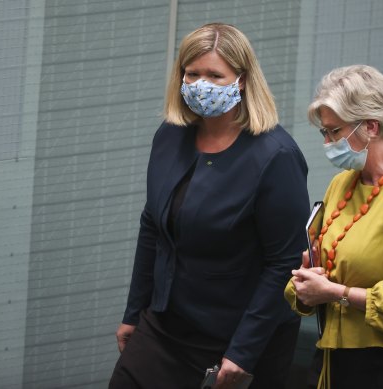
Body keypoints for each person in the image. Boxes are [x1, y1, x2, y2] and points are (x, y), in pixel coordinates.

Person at [109, 23, 310, 389]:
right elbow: (153, 225)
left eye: (216, 75)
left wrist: (243, 351)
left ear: (243, 80)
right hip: (166, 322)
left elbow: (285, 262)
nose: (202, 84)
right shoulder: (170, 136)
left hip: (237, 338)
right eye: (193, 73)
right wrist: (134, 313)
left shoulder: (276, 156)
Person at [284, 65, 383, 389]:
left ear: (371, 126)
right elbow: (321, 273)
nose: (328, 142)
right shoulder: (342, 184)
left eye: (334, 131)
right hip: (338, 354)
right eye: (324, 133)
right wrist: (308, 280)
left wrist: (335, 292)